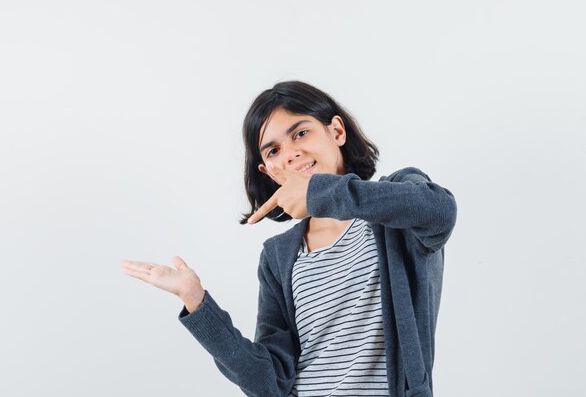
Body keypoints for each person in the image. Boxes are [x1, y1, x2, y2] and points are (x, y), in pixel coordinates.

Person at [120, 81, 457, 397]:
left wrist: (318, 192)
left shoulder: (394, 207)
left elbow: (440, 212)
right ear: (267, 170)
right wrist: (197, 302)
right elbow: (269, 382)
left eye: (301, 133)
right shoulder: (279, 255)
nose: (291, 154)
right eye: (274, 150)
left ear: (336, 131)